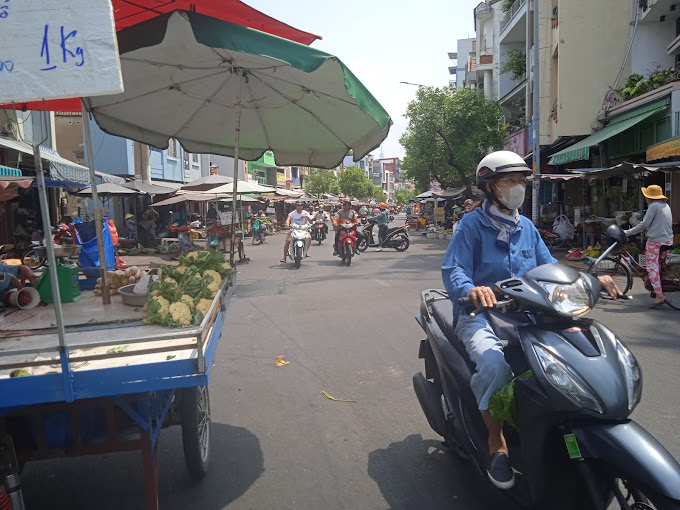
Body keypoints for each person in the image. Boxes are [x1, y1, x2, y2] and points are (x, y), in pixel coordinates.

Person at [442, 151, 623, 490]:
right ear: (491, 185)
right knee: (494, 365)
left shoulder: (526, 227)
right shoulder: (471, 225)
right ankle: (497, 441)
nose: (519, 187)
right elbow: (454, 269)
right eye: (511, 180)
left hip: (527, 314)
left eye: (521, 180)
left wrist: (592, 278)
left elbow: (548, 267)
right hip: (480, 315)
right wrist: (472, 290)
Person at [624, 184, 674, 309]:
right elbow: (659, 223)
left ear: (650, 197)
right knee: (659, 267)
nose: (646, 198)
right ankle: (655, 287)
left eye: (646, 196)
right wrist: (648, 230)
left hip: (656, 242)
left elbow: (644, 224)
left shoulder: (653, 206)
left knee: (652, 268)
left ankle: (659, 294)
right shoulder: (665, 205)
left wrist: (627, 232)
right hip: (667, 241)